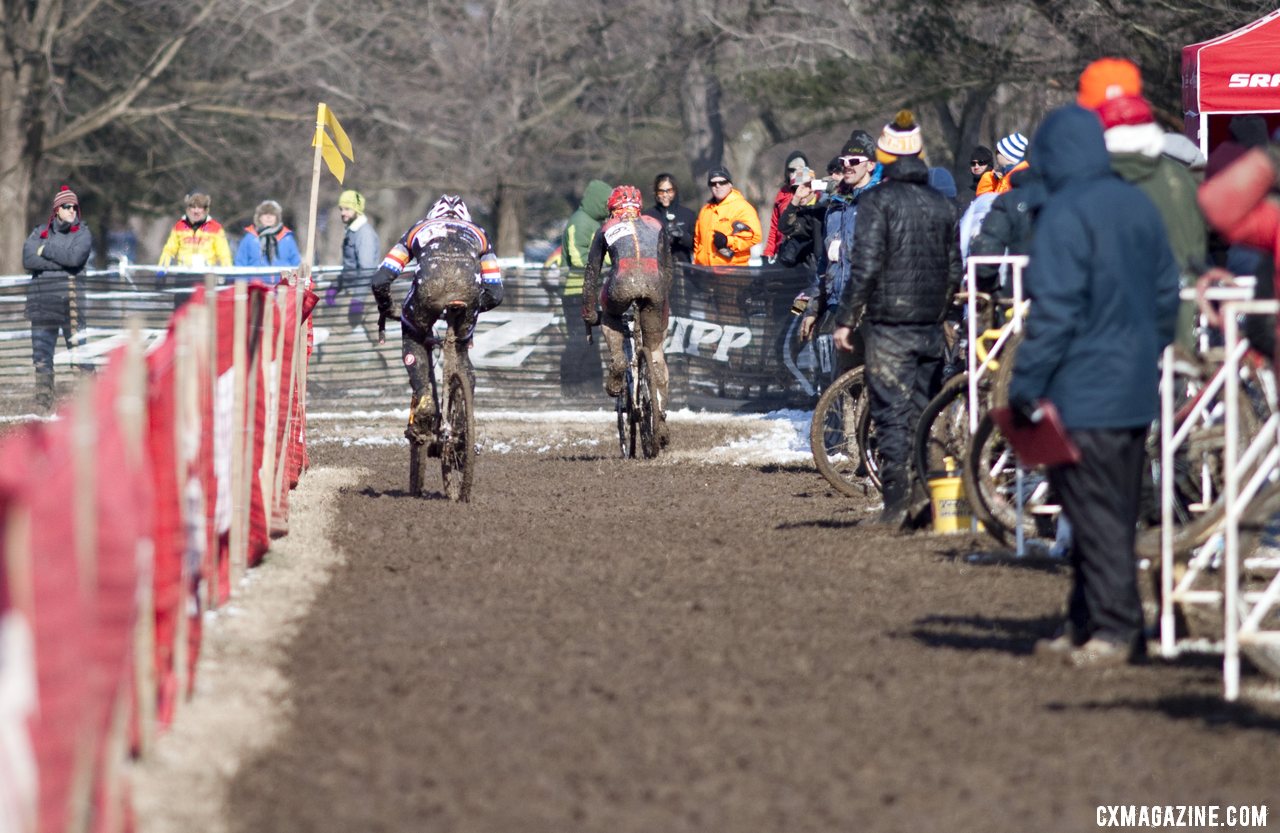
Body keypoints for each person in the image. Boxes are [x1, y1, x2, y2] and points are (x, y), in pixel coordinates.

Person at [1009, 105, 1179, 667]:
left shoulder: (1062, 215)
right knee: (1110, 509)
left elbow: (1053, 312)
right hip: (1132, 385)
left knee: (1094, 513)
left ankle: (1116, 630)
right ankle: (1083, 620)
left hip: (1082, 389)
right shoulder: (1138, 204)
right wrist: (1143, 355)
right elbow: (1165, 296)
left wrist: (1026, 383)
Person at [831, 110, 960, 528]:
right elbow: (954, 270)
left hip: (888, 326)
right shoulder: (942, 204)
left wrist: (847, 318)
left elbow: (865, 266)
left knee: (890, 416)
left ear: (884, 155)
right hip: (929, 328)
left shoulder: (876, 202)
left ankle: (895, 507)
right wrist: (942, 314)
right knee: (924, 414)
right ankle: (925, 504)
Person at [370, 195, 504, 449]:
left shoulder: (418, 229)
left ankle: (424, 396)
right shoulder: (480, 234)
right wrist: (474, 308)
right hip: (467, 293)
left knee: (413, 334)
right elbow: (496, 293)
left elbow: (380, 279)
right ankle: (463, 424)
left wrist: (388, 307)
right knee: (462, 353)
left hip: (427, 289)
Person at [582, 185, 674, 445]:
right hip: (655, 284)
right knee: (656, 351)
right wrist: (661, 299)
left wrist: (589, 313)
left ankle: (618, 361)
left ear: (612, 208)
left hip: (622, 283)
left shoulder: (606, 228)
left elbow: (591, 274)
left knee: (610, 317)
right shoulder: (655, 224)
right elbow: (668, 268)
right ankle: (661, 416)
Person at [798, 131, 882, 372]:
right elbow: (826, 264)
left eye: (854, 162)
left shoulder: (880, 201)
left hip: (874, 308)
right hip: (841, 306)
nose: (848, 167)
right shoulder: (835, 206)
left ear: (870, 165)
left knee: (878, 382)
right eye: (844, 162)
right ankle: (848, 412)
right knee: (845, 382)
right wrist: (813, 308)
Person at [22, 186, 93, 412]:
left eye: (74, 207)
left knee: (80, 354)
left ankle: (92, 402)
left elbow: (75, 258)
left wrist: (45, 250)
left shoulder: (82, 232)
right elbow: (28, 259)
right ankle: (43, 402)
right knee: (42, 356)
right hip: (42, 303)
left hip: (71, 303)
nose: (72, 210)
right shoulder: (39, 232)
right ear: (57, 210)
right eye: (67, 206)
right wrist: (60, 262)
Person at [559, 179, 612, 397]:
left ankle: (592, 387)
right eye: (607, 203)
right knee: (579, 340)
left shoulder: (595, 223)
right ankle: (571, 387)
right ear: (598, 201)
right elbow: (579, 258)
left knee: (592, 340)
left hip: (591, 291)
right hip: (575, 292)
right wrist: (609, 263)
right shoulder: (580, 222)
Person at [325, 189, 383, 338]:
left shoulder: (364, 234)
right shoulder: (353, 231)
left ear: (357, 210)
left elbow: (366, 269)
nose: (343, 213)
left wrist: (358, 299)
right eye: (341, 209)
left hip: (361, 294)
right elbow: (351, 266)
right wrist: (336, 286)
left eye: (347, 209)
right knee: (379, 340)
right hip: (363, 293)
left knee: (334, 338)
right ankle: (400, 361)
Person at [157, 190, 232, 287]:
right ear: (188, 209)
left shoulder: (216, 228)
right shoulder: (179, 226)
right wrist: (161, 271)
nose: (196, 211)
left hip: (206, 276)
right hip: (183, 275)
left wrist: (227, 275)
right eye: (193, 207)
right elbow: (168, 251)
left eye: (200, 207)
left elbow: (224, 255)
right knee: (182, 302)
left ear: (205, 210)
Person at [692, 166, 761, 266]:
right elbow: (697, 242)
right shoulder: (705, 210)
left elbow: (754, 237)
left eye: (722, 182)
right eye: (713, 183)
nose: (718, 186)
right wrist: (696, 263)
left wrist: (728, 241)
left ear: (730, 184)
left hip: (733, 273)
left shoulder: (742, 207)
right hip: (705, 272)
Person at [232, 199, 301, 282]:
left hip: (282, 286)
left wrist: (294, 283)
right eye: (265, 214)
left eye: (272, 214)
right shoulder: (249, 238)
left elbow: (296, 263)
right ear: (259, 217)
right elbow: (240, 263)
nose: (268, 217)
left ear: (277, 218)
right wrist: (244, 284)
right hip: (256, 287)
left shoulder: (287, 239)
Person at [776, 166, 826, 270]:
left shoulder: (824, 207)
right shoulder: (796, 209)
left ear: (812, 187)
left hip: (820, 267)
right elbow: (783, 227)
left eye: (804, 187)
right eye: (795, 189)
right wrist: (795, 200)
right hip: (801, 270)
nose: (799, 192)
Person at [763, 150, 809, 261]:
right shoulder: (782, 194)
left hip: (804, 252)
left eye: (800, 170)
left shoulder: (813, 192)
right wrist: (768, 252)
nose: (796, 173)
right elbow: (774, 227)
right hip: (783, 249)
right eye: (791, 170)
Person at [642, 173, 695, 264]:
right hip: (658, 269)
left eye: (669, 191)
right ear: (656, 193)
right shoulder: (648, 216)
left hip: (683, 269)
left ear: (675, 191)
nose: (665, 195)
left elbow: (696, 245)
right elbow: (643, 246)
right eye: (661, 191)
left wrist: (682, 236)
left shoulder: (688, 214)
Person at [976, 132, 1029, 196]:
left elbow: (989, 203)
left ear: (1007, 156)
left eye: (998, 151)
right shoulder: (1005, 175)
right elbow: (982, 201)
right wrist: (992, 178)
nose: (995, 154)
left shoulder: (1018, 179)